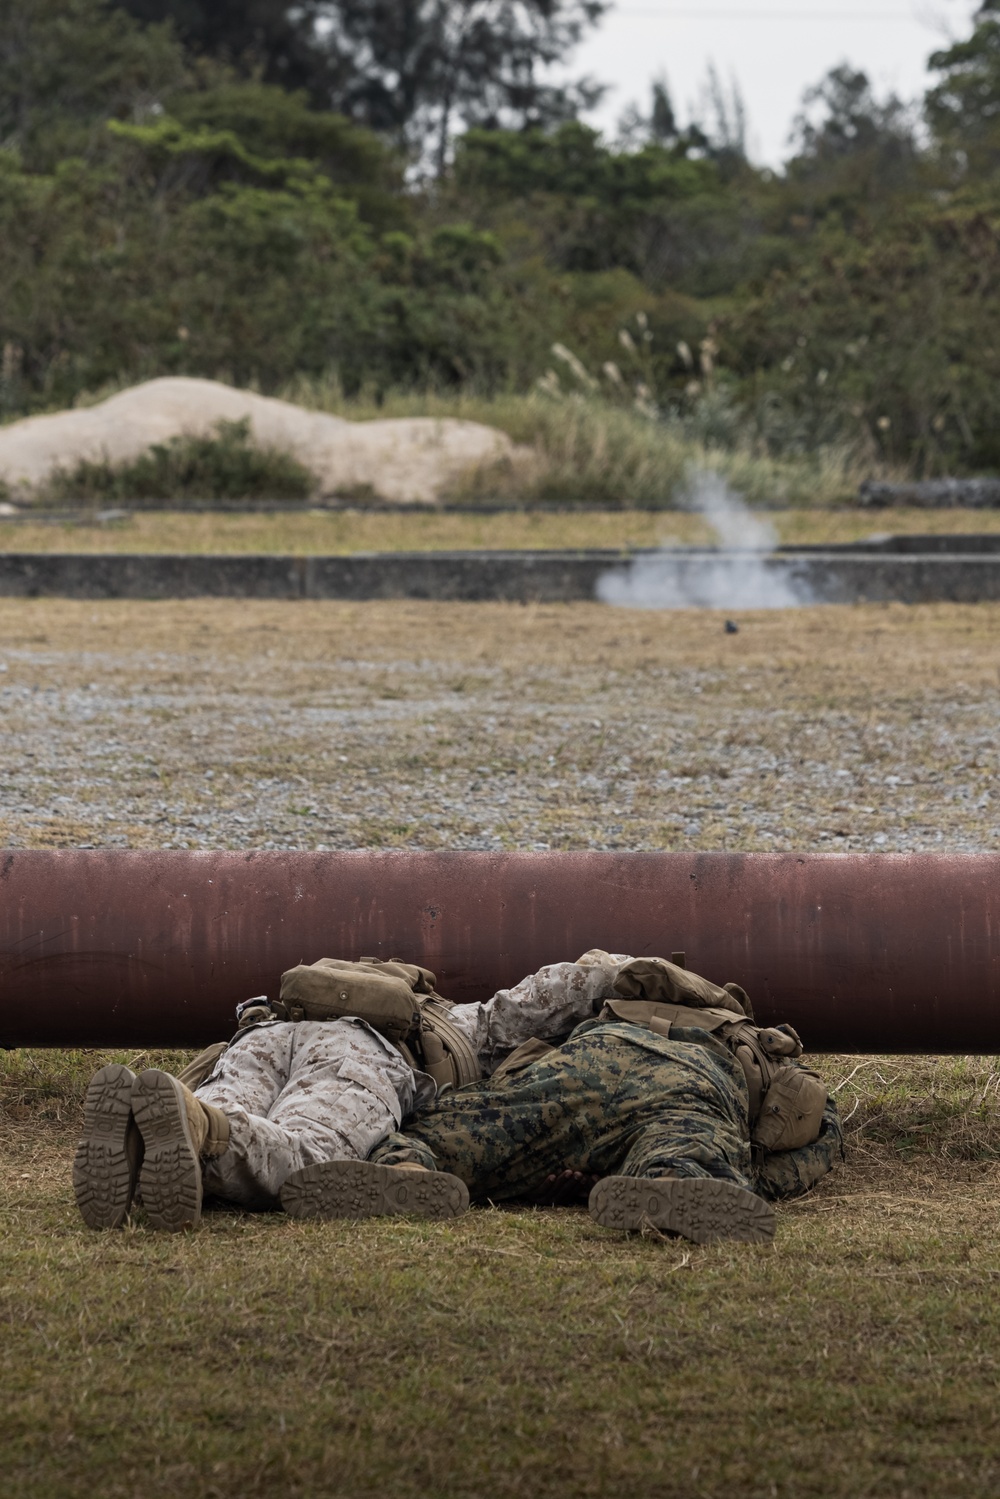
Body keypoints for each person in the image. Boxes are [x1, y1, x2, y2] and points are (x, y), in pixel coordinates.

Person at [73, 950, 632, 1231]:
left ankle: (162, 1125)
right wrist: (640, 975)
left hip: (265, 1031)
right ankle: (202, 1130)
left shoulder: (324, 989)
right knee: (308, 1154)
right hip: (360, 1052)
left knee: (226, 1104)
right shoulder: (467, 1021)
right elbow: (563, 987)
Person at [277, 994, 843, 1244]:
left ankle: (405, 1173)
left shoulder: (620, 1002)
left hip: (580, 1066)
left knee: (442, 1134)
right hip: (691, 1083)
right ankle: (678, 1181)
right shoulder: (754, 1054)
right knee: (686, 1154)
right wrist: (758, 1179)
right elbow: (817, 1145)